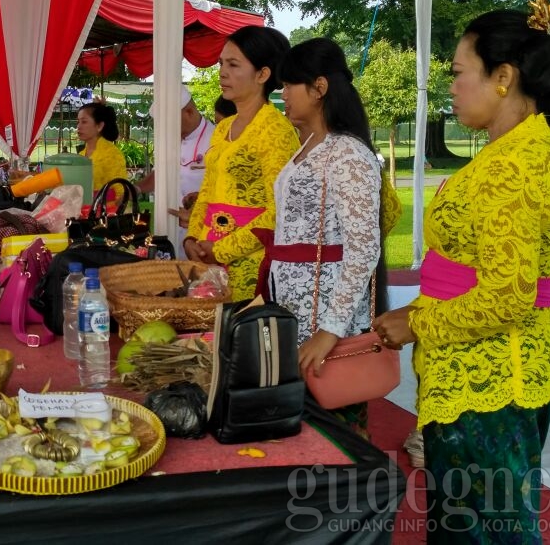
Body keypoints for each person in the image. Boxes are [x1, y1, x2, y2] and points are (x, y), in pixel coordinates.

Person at [373, 6, 550, 540]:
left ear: (503, 77)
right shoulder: (513, 151)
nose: (453, 87)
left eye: (460, 72)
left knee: (486, 529)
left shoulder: (512, 165)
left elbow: (507, 296)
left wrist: (419, 322)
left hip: (491, 379)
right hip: (490, 368)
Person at [266, 37, 384, 436]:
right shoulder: (309, 148)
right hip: (296, 314)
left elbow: (364, 248)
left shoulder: (347, 154)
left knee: (336, 427)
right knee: (305, 425)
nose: (282, 95)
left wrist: (330, 330)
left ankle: (349, 493)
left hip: (324, 319)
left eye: (288, 85)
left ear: (319, 88)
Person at [185, 27, 298, 299]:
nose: (222, 72)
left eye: (233, 64)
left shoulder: (276, 131)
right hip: (210, 257)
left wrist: (221, 250)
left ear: (262, 74)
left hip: (252, 263)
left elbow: (279, 212)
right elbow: (208, 191)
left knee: (244, 335)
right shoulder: (224, 129)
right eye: (222, 63)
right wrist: (191, 238)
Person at [136, 85, 215, 257]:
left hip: (201, 232)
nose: (167, 127)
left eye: (171, 121)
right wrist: (135, 188)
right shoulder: (169, 140)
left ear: (188, 112)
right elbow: (160, 174)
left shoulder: (217, 138)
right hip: (168, 229)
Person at [76, 101, 127, 199]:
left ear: (99, 126)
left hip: (107, 212)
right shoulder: (81, 155)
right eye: (78, 122)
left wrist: (92, 196)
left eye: (84, 121)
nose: (78, 126)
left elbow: (120, 192)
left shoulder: (112, 154)